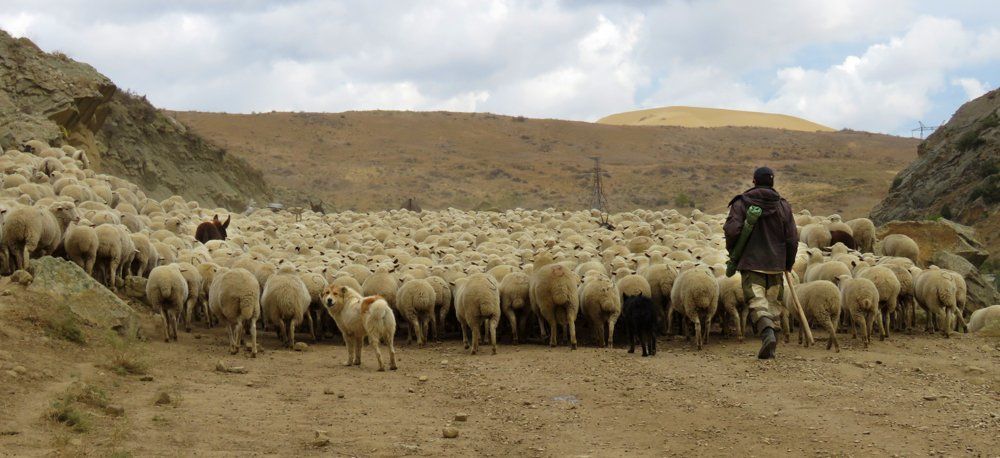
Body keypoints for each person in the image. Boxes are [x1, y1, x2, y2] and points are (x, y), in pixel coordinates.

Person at [723, 167, 798, 359]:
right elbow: (792, 238)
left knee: (757, 301)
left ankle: (767, 335)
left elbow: (732, 230)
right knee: (773, 302)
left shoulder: (741, 203)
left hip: (751, 262)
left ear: (754, 181)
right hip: (776, 264)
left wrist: (734, 252)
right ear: (772, 182)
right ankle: (772, 341)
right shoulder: (783, 206)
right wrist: (787, 262)